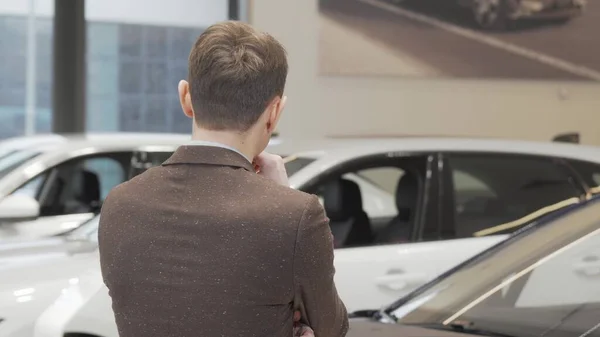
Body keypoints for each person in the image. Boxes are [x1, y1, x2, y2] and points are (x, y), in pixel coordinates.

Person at [98, 21, 349, 337]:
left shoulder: (120, 203)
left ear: (186, 97)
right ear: (274, 112)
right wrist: (281, 195)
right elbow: (332, 328)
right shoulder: (295, 216)